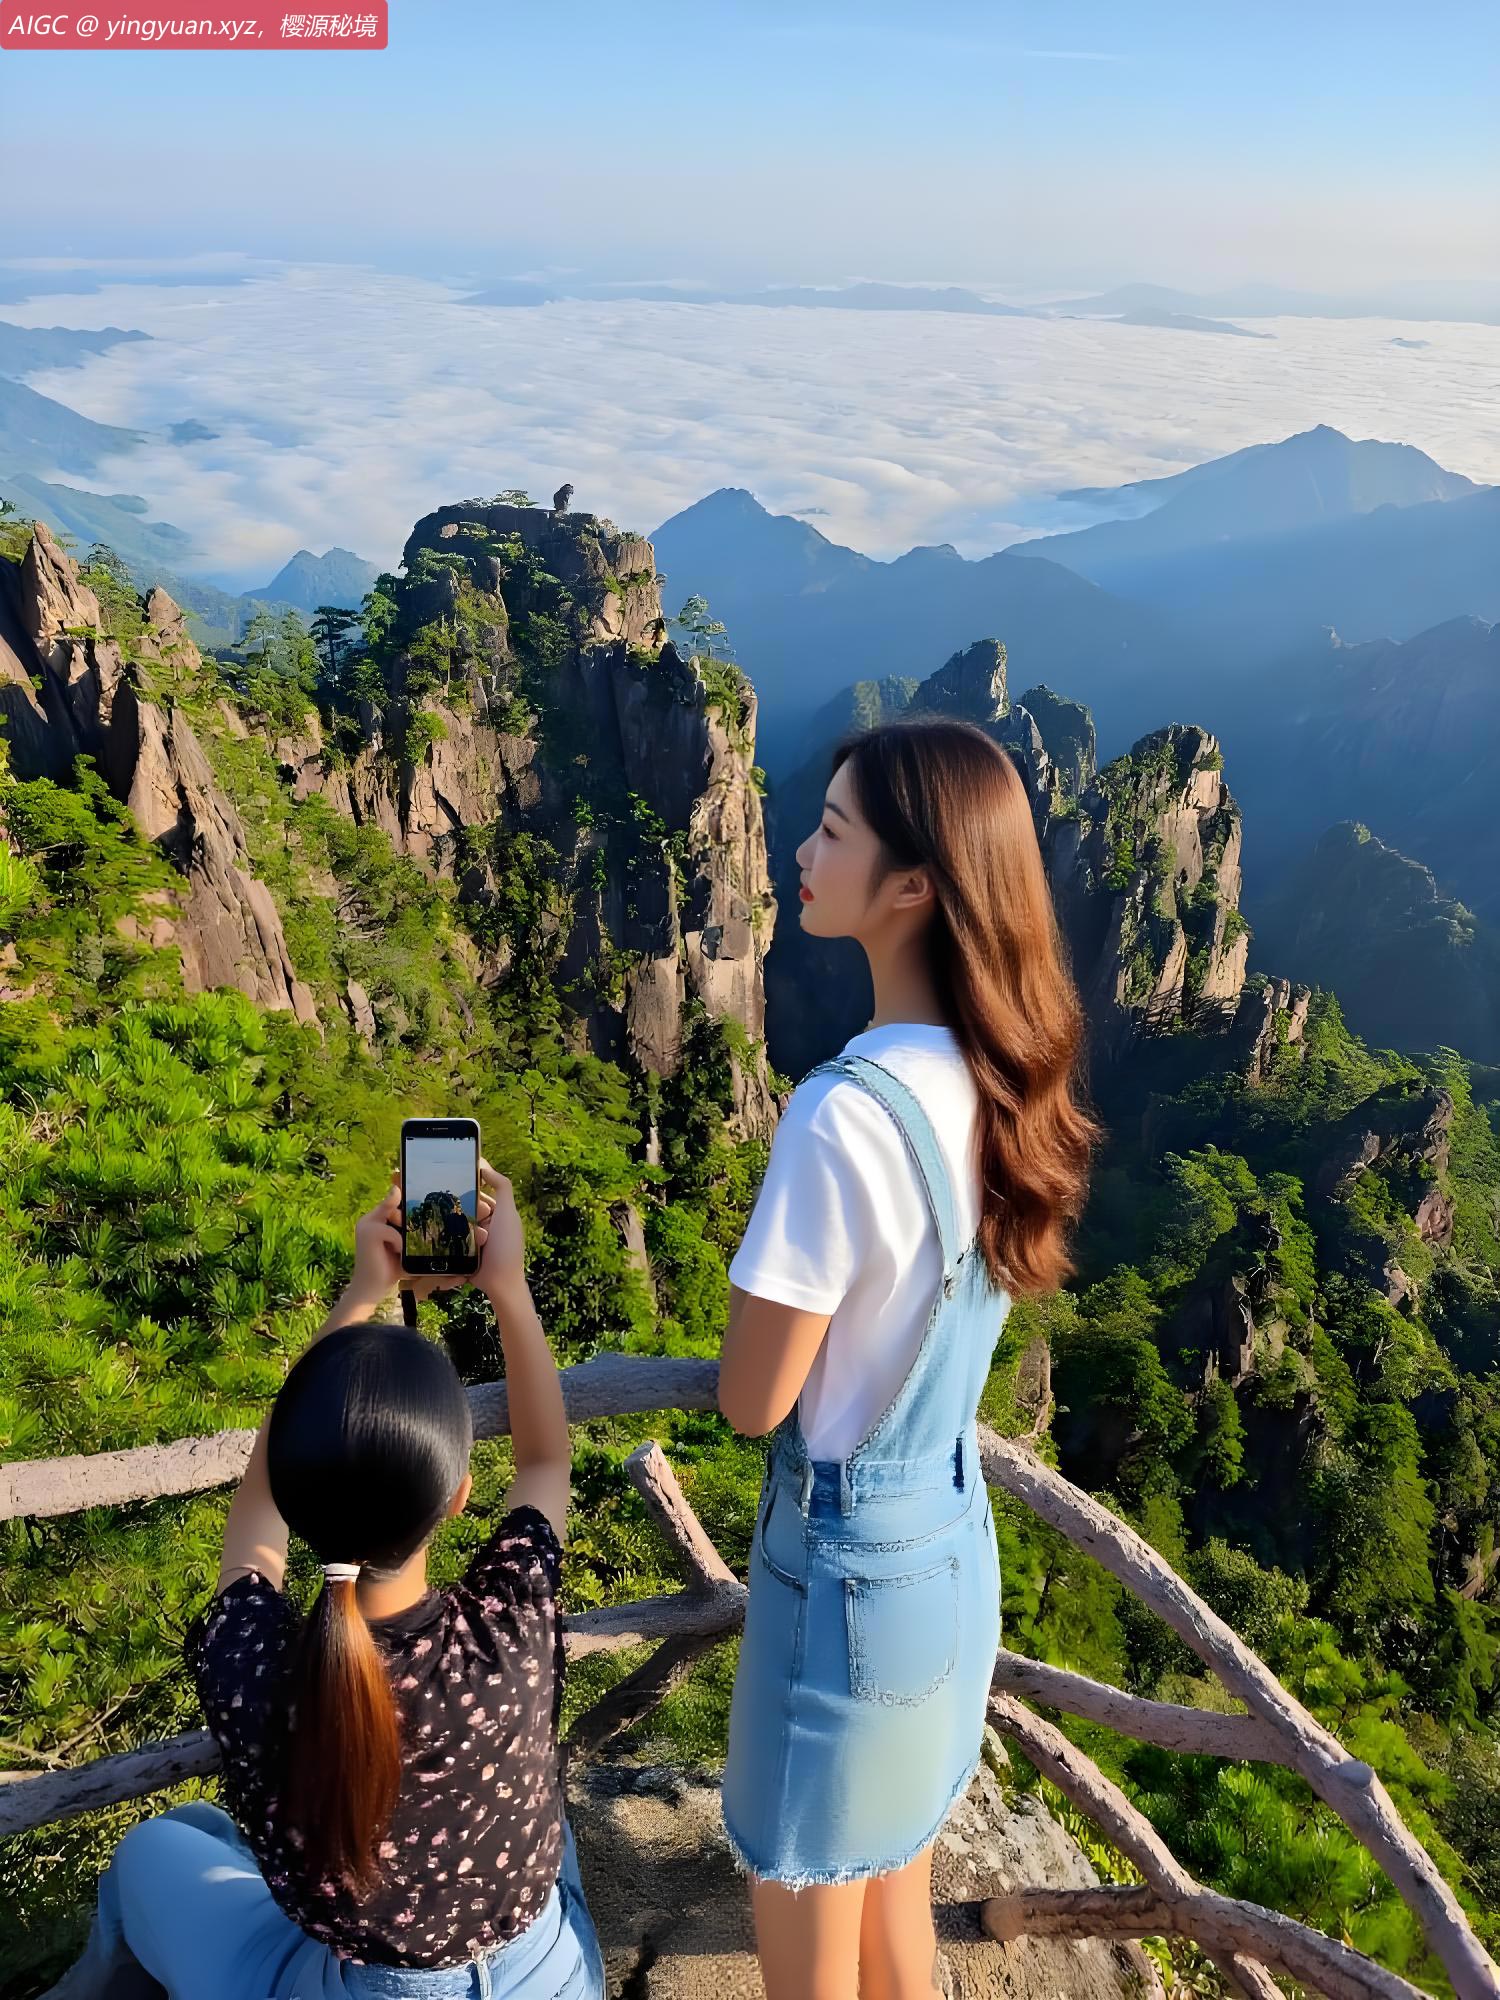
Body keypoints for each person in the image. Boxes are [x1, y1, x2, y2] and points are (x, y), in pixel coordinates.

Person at [717, 717, 1102, 2000]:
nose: (799, 849)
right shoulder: (1004, 1083)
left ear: (913, 886)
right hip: (947, 1552)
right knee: (896, 1911)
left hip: (840, 1585)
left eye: (833, 831)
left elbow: (751, 1396)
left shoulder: (840, 1116)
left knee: (810, 1948)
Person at [44, 1157, 604, 2000]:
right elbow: (546, 1460)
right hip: (547, 1972)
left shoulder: (255, 1667)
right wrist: (508, 1288)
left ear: (297, 1496)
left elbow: (259, 1506)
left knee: (159, 1845)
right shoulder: (510, 1628)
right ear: (459, 1494)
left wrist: (360, 1295)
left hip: (362, 1984)